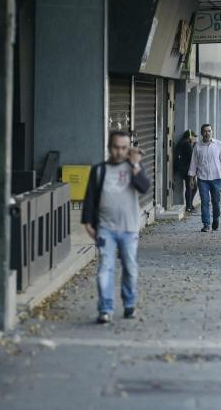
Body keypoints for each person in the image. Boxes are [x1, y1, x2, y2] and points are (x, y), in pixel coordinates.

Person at [81, 131, 151, 324]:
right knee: (105, 267)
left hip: (129, 229)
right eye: (115, 147)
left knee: (130, 268)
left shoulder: (134, 168)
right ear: (109, 147)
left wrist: (136, 164)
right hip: (105, 228)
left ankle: (129, 305)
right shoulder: (100, 170)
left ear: (129, 148)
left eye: (123, 147)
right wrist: (87, 223)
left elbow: (144, 187)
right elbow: (90, 198)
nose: (119, 151)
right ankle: (105, 308)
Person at [189, 124, 221, 232]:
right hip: (202, 178)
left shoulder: (218, 144)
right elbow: (193, 163)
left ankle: (216, 218)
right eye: (205, 131)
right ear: (202, 133)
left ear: (212, 132)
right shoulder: (197, 146)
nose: (207, 133)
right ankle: (206, 224)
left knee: (216, 201)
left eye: (209, 131)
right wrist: (191, 178)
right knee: (205, 201)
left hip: (216, 177)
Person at [175, 130, 197, 213]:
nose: (195, 139)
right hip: (188, 169)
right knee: (191, 188)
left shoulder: (182, 142)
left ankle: (190, 205)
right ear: (190, 137)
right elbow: (192, 157)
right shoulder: (187, 144)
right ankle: (189, 206)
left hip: (184, 169)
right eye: (194, 137)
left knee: (192, 187)